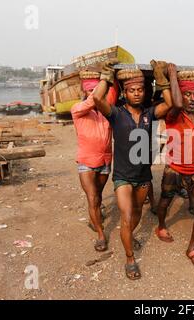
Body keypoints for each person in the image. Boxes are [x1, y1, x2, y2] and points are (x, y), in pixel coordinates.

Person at [93, 60, 173, 280]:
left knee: (137, 213)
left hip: (143, 176)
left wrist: (162, 78)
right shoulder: (116, 113)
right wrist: (106, 76)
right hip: (123, 177)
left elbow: (172, 102)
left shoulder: (149, 113)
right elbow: (97, 99)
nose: (136, 94)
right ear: (125, 93)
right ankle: (130, 259)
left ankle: (128, 235)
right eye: (131, 91)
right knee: (127, 216)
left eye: (140, 90)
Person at [155, 65, 194, 267]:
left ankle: (192, 248)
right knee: (165, 201)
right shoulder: (174, 114)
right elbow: (177, 104)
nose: (192, 98)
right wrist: (172, 75)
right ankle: (161, 226)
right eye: (187, 94)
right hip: (176, 168)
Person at [71, 71, 118, 252]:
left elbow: (111, 94)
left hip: (105, 159)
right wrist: (102, 82)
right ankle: (100, 234)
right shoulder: (78, 110)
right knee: (92, 198)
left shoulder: (106, 111)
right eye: (90, 91)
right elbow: (93, 101)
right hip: (86, 161)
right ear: (85, 92)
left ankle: (95, 219)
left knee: (98, 195)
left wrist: (111, 78)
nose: (94, 94)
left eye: (96, 91)